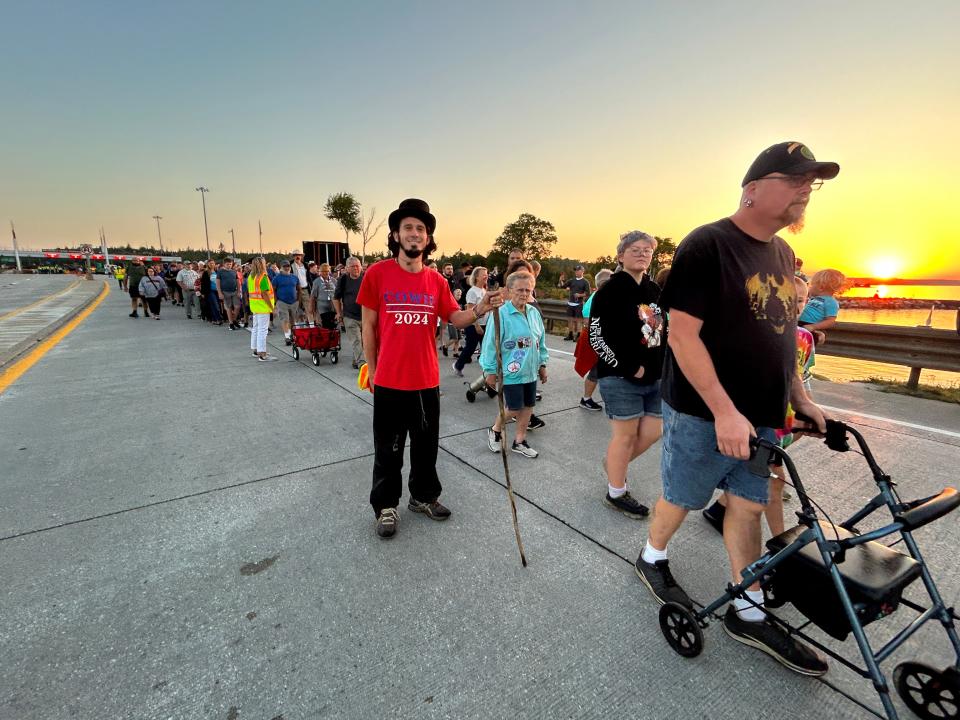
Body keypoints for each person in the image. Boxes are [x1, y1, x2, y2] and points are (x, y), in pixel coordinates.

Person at [635, 141, 836, 676]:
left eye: (810, 185)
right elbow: (682, 336)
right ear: (752, 190)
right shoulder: (708, 245)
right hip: (704, 413)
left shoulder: (782, 255)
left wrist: (799, 395)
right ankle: (652, 555)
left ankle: (744, 609)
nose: (804, 193)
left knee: (748, 505)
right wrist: (724, 410)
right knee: (684, 496)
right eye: (795, 181)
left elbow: (782, 330)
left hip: (762, 415)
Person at [357, 198, 501, 539]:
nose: (414, 233)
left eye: (421, 229)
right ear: (395, 234)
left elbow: (456, 317)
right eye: (408, 227)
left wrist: (480, 308)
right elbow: (368, 326)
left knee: (426, 446)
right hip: (390, 380)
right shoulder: (377, 274)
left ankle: (422, 497)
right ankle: (386, 506)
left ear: (427, 237)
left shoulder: (435, 281)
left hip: (425, 380)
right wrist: (372, 368)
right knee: (388, 448)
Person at [703, 275, 817, 537]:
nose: (795, 306)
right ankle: (779, 542)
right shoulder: (760, 334)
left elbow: (801, 376)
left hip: (785, 416)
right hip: (763, 419)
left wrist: (806, 407)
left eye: (800, 301)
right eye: (790, 300)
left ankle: (719, 510)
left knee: (754, 476)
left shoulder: (804, 338)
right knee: (774, 482)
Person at [589, 233, 664, 518]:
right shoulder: (608, 292)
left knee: (653, 431)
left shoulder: (655, 290)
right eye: (635, 250)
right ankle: (616, 491)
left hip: (657, 376)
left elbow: (663, 331)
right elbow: (596, 337)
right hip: (620, 377)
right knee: (625, 435)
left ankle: (613, 465)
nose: (643, 254)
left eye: (647, 250)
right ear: (621, 256)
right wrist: (628, 366)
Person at [481, 270, 548, 458]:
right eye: (519, 290)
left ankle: (519, 440)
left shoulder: (534, 313)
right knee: (514, 407)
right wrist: (490, 371)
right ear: (509, 291)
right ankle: (495, 430)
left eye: (528, 290)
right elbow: (490, 346)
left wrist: (542, 365)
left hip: (530, 370)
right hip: (511, 371)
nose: (524, 294)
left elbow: (540, 342)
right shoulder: (500, 314)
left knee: (528, 406)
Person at [578, 268, 612, 411]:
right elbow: (589, 322)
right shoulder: (598, 298)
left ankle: (593, 398)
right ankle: (586, 399)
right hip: (598, 340)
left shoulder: (600, 297)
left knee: (604, 371)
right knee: (596, 370)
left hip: (601, 339)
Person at [452, 266, 488, 377]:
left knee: (486, 348)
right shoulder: (472, 292)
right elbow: (470, 310)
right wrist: (476, 325)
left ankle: (488, 373)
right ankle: (458, 365)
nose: (486, 276)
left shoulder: (483, 290)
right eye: (483, 274)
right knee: (470, 348)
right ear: (476, 277)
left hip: (485, 324)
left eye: (487, 274)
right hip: (473, 325)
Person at [799, 268, 845, 345]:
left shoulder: (831, 302)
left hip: (808, 325)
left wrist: (813, 327)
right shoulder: (813, 298)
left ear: (821, 287)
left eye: (811, 285)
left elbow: (830, 321)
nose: (809, 287)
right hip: (799, 323)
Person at [333, 256, 365, 368]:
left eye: (357, 266)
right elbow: (336, 298)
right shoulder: (343, 279)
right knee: (356, 340)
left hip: (366, 316)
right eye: (353, 266)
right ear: (347, 268)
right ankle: (362, 364)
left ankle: (356, 360)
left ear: (361, 267)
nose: (355, 268)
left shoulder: (366, 277)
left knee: (364, 341)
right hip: (350, 316)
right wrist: (338, 313)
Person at [247, 257, 277, 361]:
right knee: (263, 330)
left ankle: (256, 350)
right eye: (264, 263)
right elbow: (265, 294)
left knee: (255, 328)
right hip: (263, 306)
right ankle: (262, 354)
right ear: (262, 265)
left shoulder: (251, 276)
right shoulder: (262, 277)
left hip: (255, 306)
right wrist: (272, 307)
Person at [558, 265, 590, 340]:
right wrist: (560, 280)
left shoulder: (585, 282)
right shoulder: (571, 280)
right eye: (575, 270)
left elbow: (588, 293)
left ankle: (578, 336)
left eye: (578, 270)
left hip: (579, 304)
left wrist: (580, 295)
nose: (576, 271)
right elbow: (562, 286)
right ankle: (570, 335)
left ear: (582, 271)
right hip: (570, 303)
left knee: (578, 321)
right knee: (570, 320)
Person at [272, 261, 300, 345]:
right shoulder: (277, 278)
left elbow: (299, 289)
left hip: (294, 302)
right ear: (281, 267)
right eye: (285, 266)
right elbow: (273, 290)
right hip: (282, 302)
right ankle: (287, 337)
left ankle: (293, 336)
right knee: (285, 319)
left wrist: (298, 300)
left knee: (293, 320)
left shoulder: (294, 277)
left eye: (288, 266)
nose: (287, 268)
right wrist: (276, 301)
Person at [309, 262, 338, 329]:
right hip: (322, 307)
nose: (326, 273)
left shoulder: (334, 281)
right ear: (320, 272)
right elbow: (312, 296)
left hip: (333, 307)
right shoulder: (316, 282)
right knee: (325, 325)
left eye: (327, 271)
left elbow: (337, 295)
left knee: (333, 325)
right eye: (324, 271)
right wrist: (311, 307)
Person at [217, 258, 243, 330]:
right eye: (227, 264)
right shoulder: (220, 272)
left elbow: (238, 282)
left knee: (237, 306)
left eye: (230, 264)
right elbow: (218, 282)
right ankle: (231, 323)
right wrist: (219, 293)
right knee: (228, 308)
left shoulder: (234, 272)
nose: (229, 265)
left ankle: (234, 320)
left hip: (234, 291)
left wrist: (238, 291)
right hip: (225, 292)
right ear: (224, 264)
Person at [201, 260, 223, 325]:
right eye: (210, 263)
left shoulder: (217, 272)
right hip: (210, 291)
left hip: (217, 290)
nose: (212, 264)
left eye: (213, 263)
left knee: (216, 305)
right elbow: (203, 283)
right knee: (215, 305)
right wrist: (202, 293)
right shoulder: (205, 272)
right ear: (208, 264)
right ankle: (219, 319)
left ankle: (214, 319)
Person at [290, 250, 309, 321]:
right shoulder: (290, 265)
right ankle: (297, 327)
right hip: (295, 290)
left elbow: (308, 277)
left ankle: (311, 326)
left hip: (305, 289)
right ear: (293, 256)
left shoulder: (305, 265)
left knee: (308, 309)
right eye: (295, 255)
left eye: (299, 255)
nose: (297, 256)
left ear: (301, 256)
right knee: (295, 310)